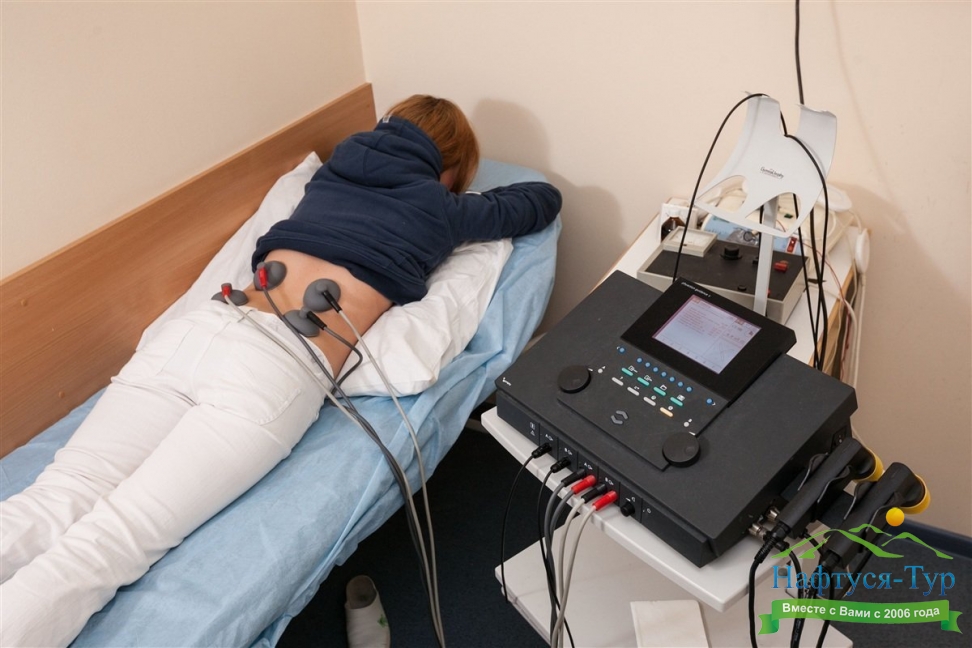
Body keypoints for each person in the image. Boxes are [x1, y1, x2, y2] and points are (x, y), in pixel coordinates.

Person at [0, 95, 562, 647]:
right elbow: (539, 199)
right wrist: (456, 193)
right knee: (112, 541)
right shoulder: (441, 207)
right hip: (273, 364)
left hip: (197, 331)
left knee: (53, 498)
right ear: (449, 168)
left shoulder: (331, 174)